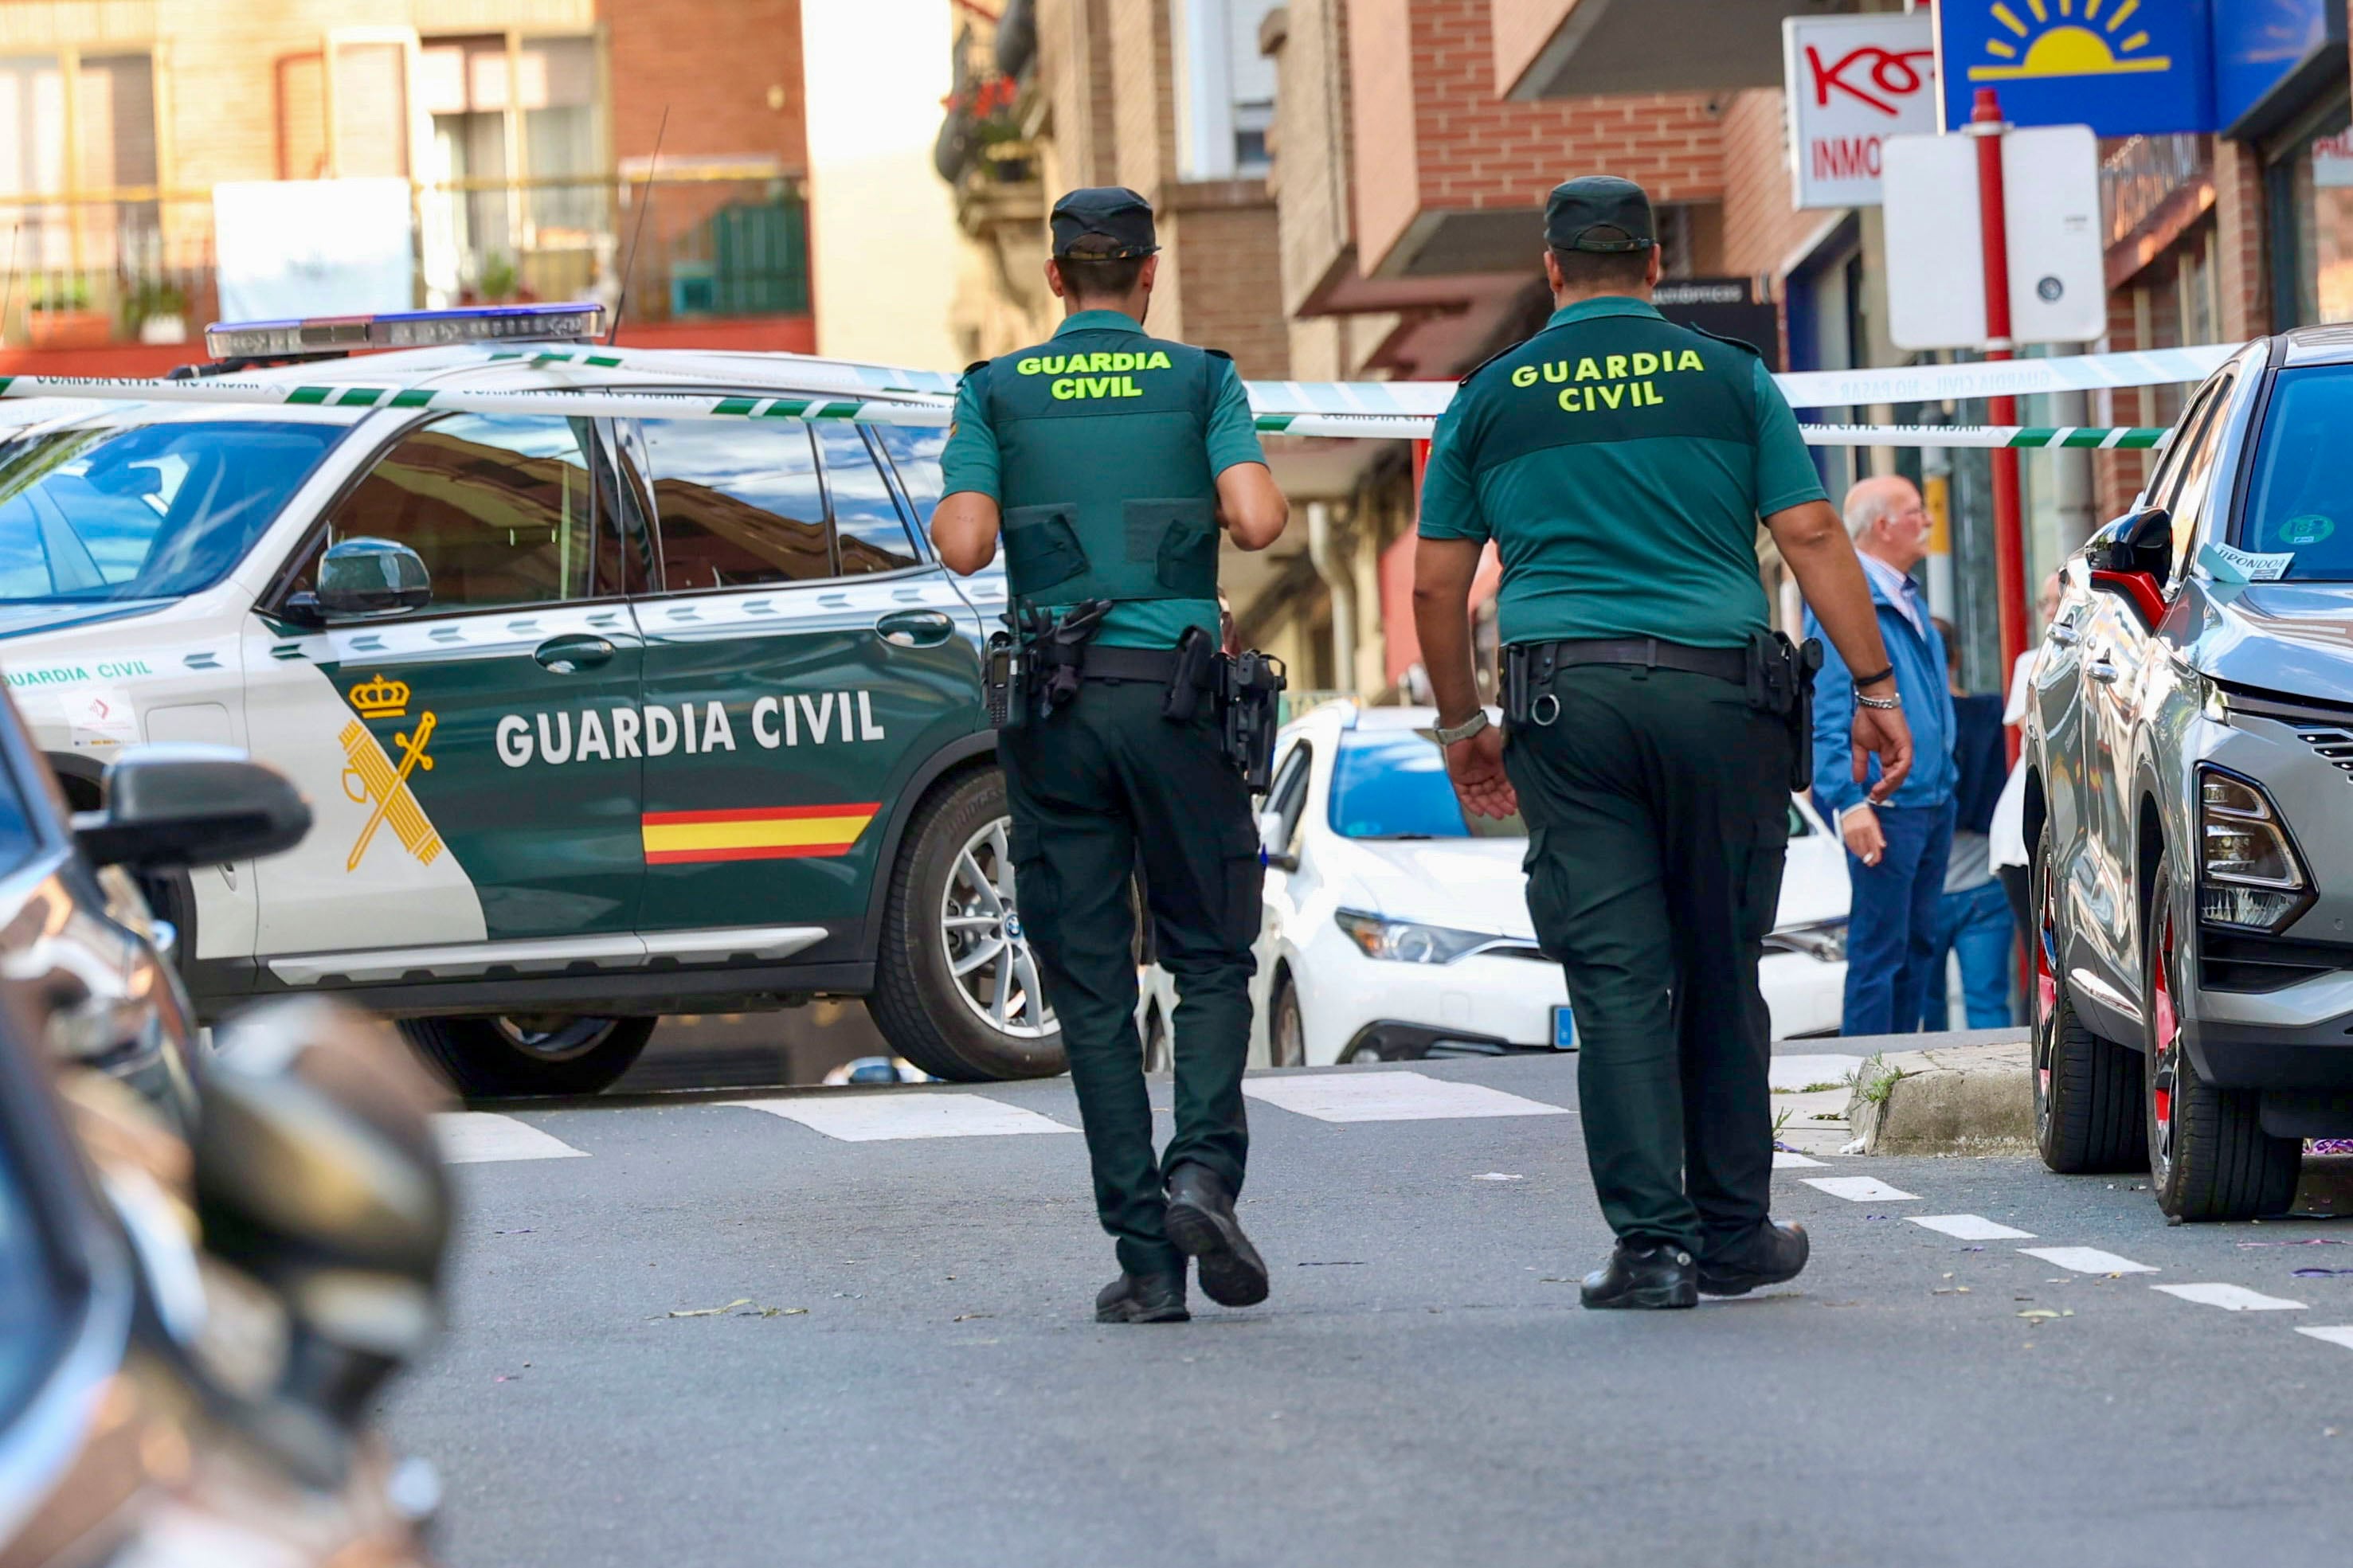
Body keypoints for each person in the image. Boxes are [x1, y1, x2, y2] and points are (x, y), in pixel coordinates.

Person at [1413, 174, 1913, 1312]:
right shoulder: (1730, 378)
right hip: (1719, 702)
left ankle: (1651, 1246)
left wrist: (1460, 726)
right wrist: (1874, 684)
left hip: (1565, 707)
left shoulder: (1489, 397)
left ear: (1552, 271)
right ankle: (1734, 1232)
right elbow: (1812, 532)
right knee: (1719, 966)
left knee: (1617, 979)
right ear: (1649, 265)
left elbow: (1439, 581)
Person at [930, 187, 1290, 1324]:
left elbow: (965, 540)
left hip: (1055, 712)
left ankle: (1146, 1263)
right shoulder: (1200, 379)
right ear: (1147, 275)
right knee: (1209, 952)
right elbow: (1260, 519)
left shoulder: (993, 390)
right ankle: (1202, 1175)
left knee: (1088, 983)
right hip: (1177, 700)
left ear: (1053, 282)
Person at [1808, 476, 1956, 1038]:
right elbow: (1827, 708)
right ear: (1883, 525)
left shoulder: (1904, 595)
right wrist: (1848, 801)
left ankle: (1897, 1078)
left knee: (1917, 947)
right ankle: (1865, 1081)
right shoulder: (1847, 599)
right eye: (1915, 511)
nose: (1926, 520)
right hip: (1886, 803)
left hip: (1932, 799)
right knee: (1880, 952)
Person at [1920, 617, 2014, 1030]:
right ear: (1957, 658)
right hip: (1985, 887)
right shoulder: (1993, 715)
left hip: (1923, 889)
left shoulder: (1907, 727)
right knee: (1989, 1008)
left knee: (1925, 1016)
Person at [1990, 573, 2064, 944]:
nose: (2050, 612)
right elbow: (2034, 731)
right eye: (2045, 602)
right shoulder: (2032, 663)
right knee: (2043, 956)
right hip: (2024, 838)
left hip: (2071, 833)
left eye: (2060, 599)